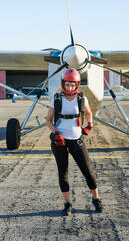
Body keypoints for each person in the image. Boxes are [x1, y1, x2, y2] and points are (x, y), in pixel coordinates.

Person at [46, 68, 103, 216]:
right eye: (67, 84)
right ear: (63, 84)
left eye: (73, 85)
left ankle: (96, 199)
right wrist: (55, 132)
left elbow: (89, 113)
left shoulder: (82, 99)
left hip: (77, 140)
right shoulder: (56, 99)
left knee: (88, 172)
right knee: (63, 173)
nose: (69, 87)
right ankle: (67, 204)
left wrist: (89, 126)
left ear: (77, 85)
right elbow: (48, 120)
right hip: (60, 141)